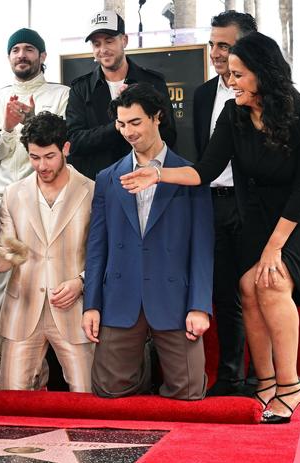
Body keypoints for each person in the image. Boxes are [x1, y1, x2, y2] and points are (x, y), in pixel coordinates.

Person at [121, 32, 300, 423]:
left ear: (262, 74)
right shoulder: (233, 115)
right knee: (245, 287)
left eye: (238, 74)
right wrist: (157, 175)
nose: (231, 81)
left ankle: (292, 387)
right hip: (259, 208)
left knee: (270, 283)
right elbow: (205, 171)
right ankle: (266, 383)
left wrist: (274, 248)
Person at [83, 83, 214, 400]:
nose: (127, 131)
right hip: (120, 296)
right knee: (108, 390)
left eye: (135, 122)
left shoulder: (190, 175)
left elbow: (202, 247)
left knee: (189, 392)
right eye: (122, 123)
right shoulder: (107, 178)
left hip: (174, 298)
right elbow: (97, 247)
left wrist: (199, 306)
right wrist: (92, 305)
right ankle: (139, 368)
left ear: (158, 117)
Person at [0, 28, 69, 387]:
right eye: (15, 49)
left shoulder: (61, 95)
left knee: (49, 283)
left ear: (42, 56)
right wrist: (10, 127)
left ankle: (45, 378)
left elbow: (61, 149)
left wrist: (30, 123)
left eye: (29, 49)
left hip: (50, 207)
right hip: (3, 208)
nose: (22, 55)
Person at [0, 112, 94, 392]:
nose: (41, 165)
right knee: (13, 399)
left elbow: (103, 252)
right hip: (23, 307)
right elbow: (10, 257)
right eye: (34, 157)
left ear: (65, 148)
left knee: (87, 395)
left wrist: (81, 282)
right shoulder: (13, 194)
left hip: (74, 309)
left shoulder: (92, 191)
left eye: (49, 156)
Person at [193, 10, 257, 397]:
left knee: (254, 291)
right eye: (212, 44)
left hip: (251, 206)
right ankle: (231, 377)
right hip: (211, 204)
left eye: (224, 45)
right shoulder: (202, 95)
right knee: (223, 294)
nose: (215, 53)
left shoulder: (260, 93)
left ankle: (261, 377)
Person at [66, 10, 176, 180]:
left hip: (146, 179)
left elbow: (168, 133)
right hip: (97, 183)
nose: (103, 50)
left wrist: (140, 108)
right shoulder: (80, 88)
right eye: (96, 44)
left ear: (124, 40)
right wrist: (116, 126)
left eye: (109, 41)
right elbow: (75, 142)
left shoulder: (152, 82)